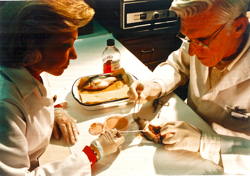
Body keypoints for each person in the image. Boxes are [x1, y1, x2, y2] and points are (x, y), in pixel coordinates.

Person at [0, 1, 124, 176]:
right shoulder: (5, 106)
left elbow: (40, 85)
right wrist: (93, 153)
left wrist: (54, 110)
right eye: (67, 45)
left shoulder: (28, 67)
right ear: (31, 47)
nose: (74, 55)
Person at [128, 0, 250, 174]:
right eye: (187, 38)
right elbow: (179, 64)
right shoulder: (200, 33)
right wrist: (155, 85)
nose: (192, 51)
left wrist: (205, 142)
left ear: (238, 27)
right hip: (184, 150)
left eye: (202, 40)